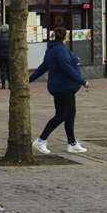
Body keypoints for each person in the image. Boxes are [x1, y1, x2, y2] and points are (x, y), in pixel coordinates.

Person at [30, 26, 88, 155]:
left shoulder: (51, 49)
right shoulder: (61, 50)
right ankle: (41, 140)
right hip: (64, 87)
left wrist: (29, 79)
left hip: (60, 87)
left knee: (70, 114)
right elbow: (66, 68)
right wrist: (82, 81)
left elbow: (43, 67)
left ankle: (72, 143)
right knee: (62, 115)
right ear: (65, 37)